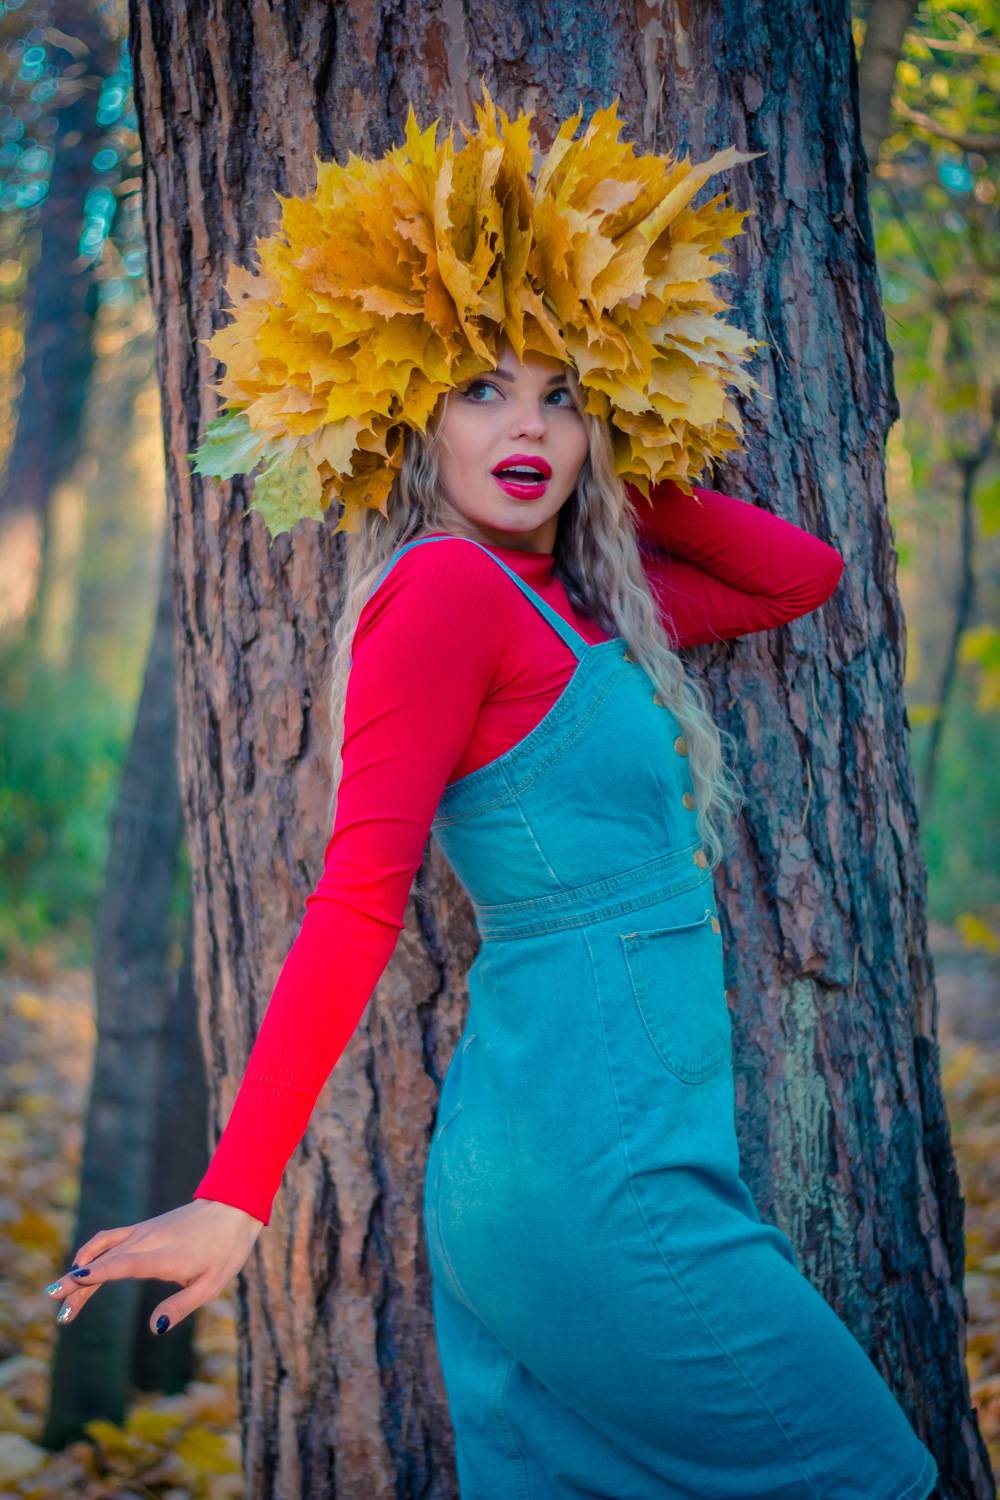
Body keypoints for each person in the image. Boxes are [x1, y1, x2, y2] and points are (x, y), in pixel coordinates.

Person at [44, 86, 939, 1499]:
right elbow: (358, 898)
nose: (526, 424)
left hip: (612, 1156)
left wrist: (610, 459)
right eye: (481, 389)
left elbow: (799, 578)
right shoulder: (448, 594)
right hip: (590, 1182)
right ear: (411, 415)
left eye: (559, 392)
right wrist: (237, 1193)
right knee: (867, 1474)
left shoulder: (569, 608)